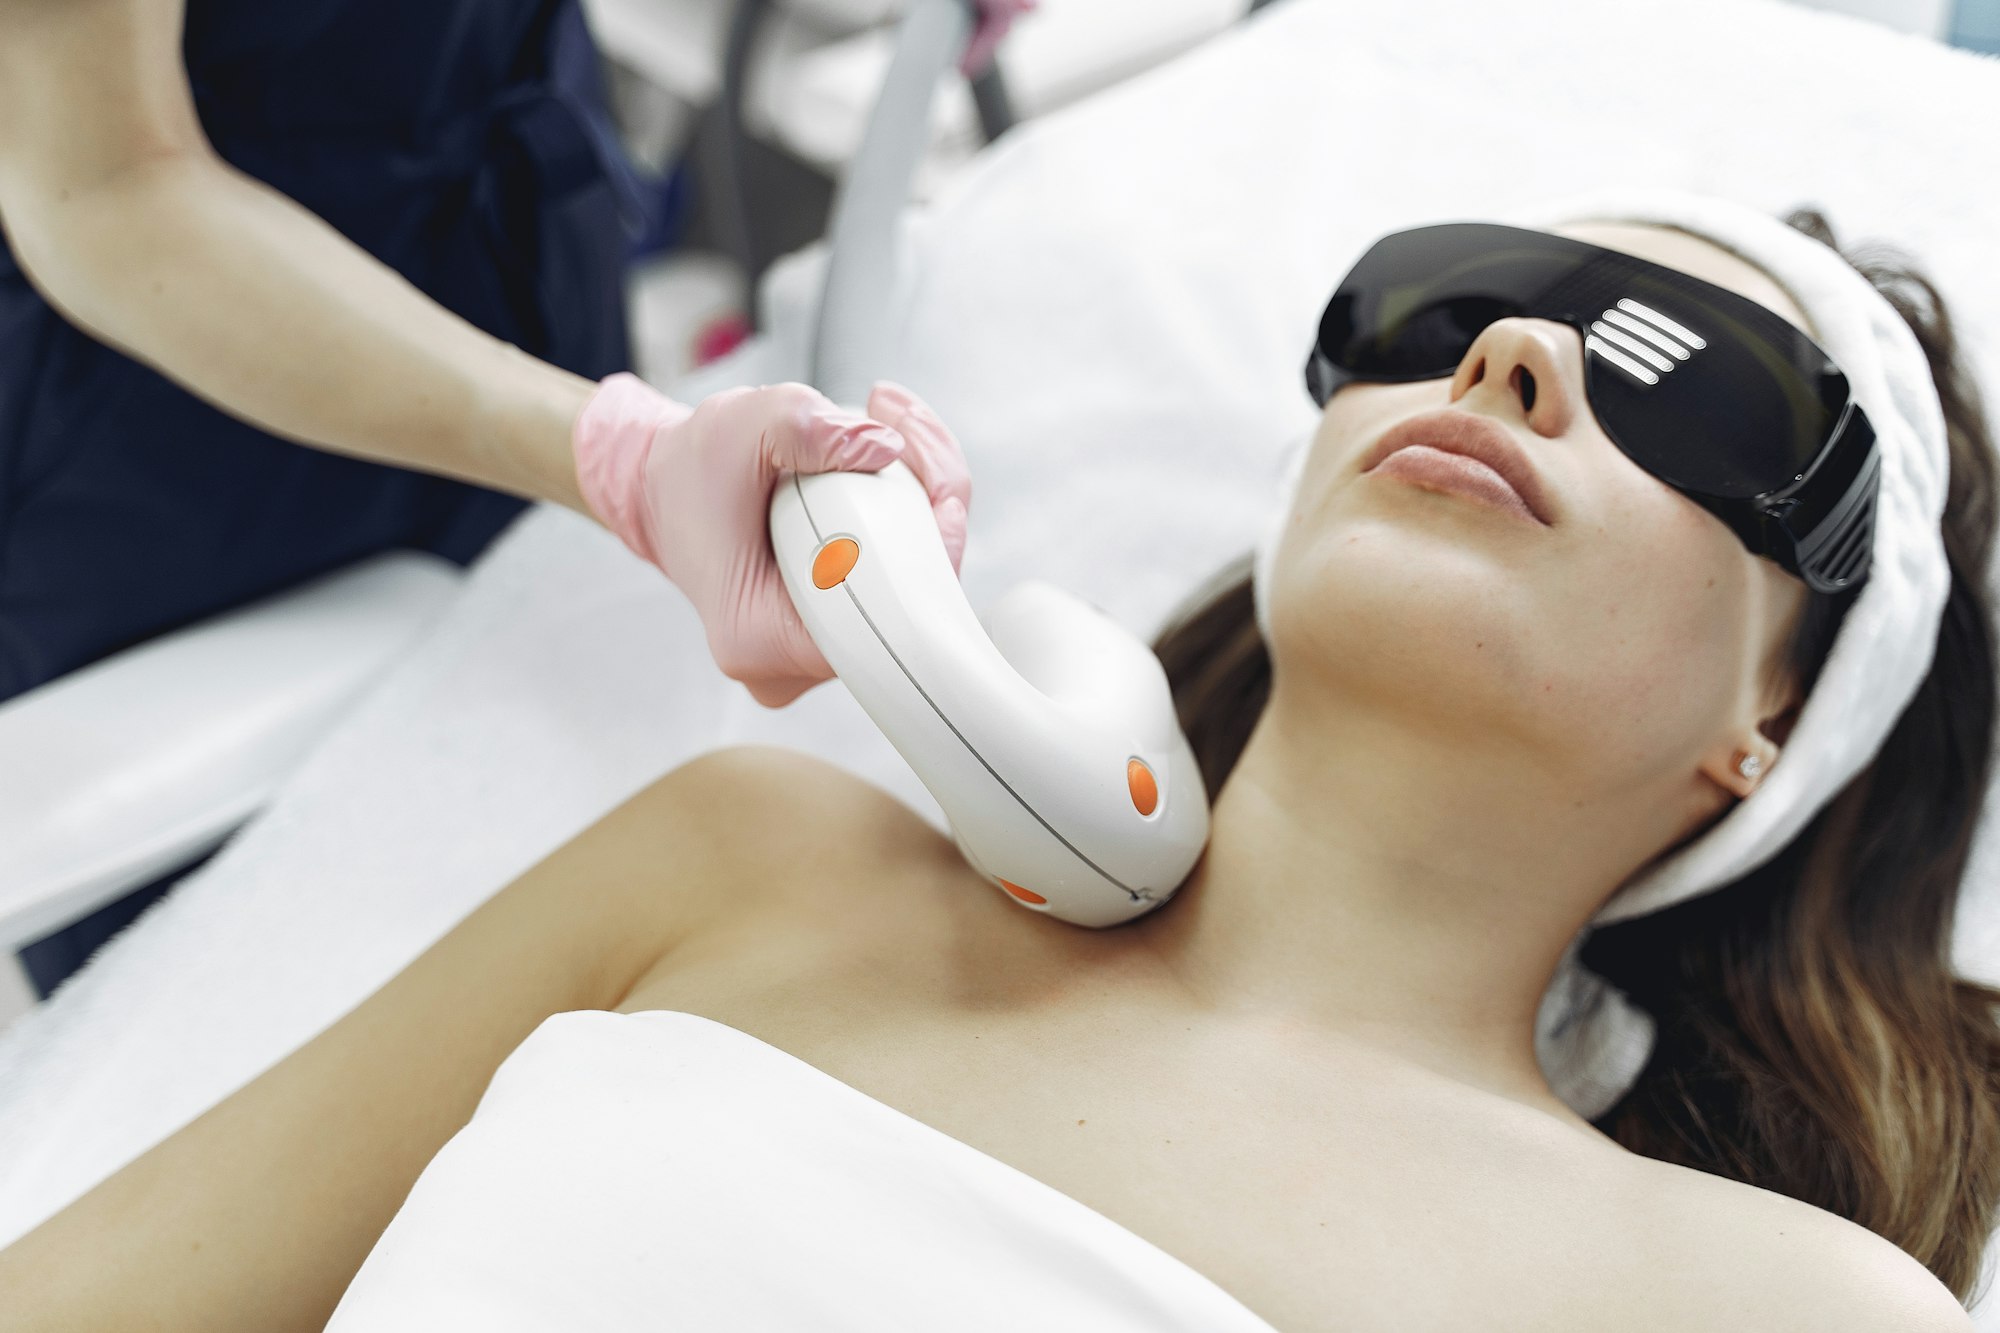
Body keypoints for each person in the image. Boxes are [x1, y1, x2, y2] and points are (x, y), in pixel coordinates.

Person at [0, 211, 1990, 1330]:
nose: (1504, 365)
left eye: (1693, 382)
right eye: (1437, 307)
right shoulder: (756, 862)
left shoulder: (1767, 1306)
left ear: (1779, 727)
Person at [0, 0, 1027, 986]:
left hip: (505, 217)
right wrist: (609, 458)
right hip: (176, 419)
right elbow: (103, 189)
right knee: (277, 978)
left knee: (580, 807)